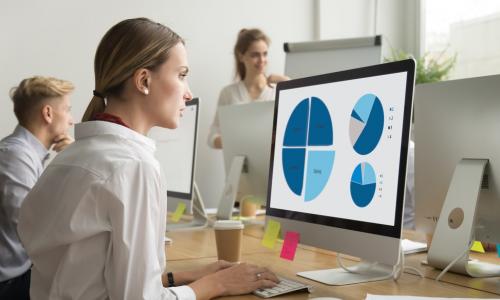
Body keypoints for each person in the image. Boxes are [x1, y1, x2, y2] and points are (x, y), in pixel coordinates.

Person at [18, 18, 278, 300]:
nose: (188, 92)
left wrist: (185, 276)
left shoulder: (72, 156)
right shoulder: (132, 166)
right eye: (181, 75)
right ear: (143, 81)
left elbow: (89, 275)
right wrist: (220, 285)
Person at [0, 76, 74, 299]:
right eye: (68, 110)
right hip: (10, 284)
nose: (71, 120)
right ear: (48, 113)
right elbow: (33, 227)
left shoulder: (28, 155)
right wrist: (71, 162)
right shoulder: (15, 156)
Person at [208, 28, 289, 149]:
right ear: (241, 56)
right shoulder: (228, 93)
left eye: (265, 54)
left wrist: (289, 83)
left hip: (271, 165)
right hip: (239, 164)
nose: (262, 60)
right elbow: (212, 137)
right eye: (255, 55)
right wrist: (235, 140)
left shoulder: (277, 90)